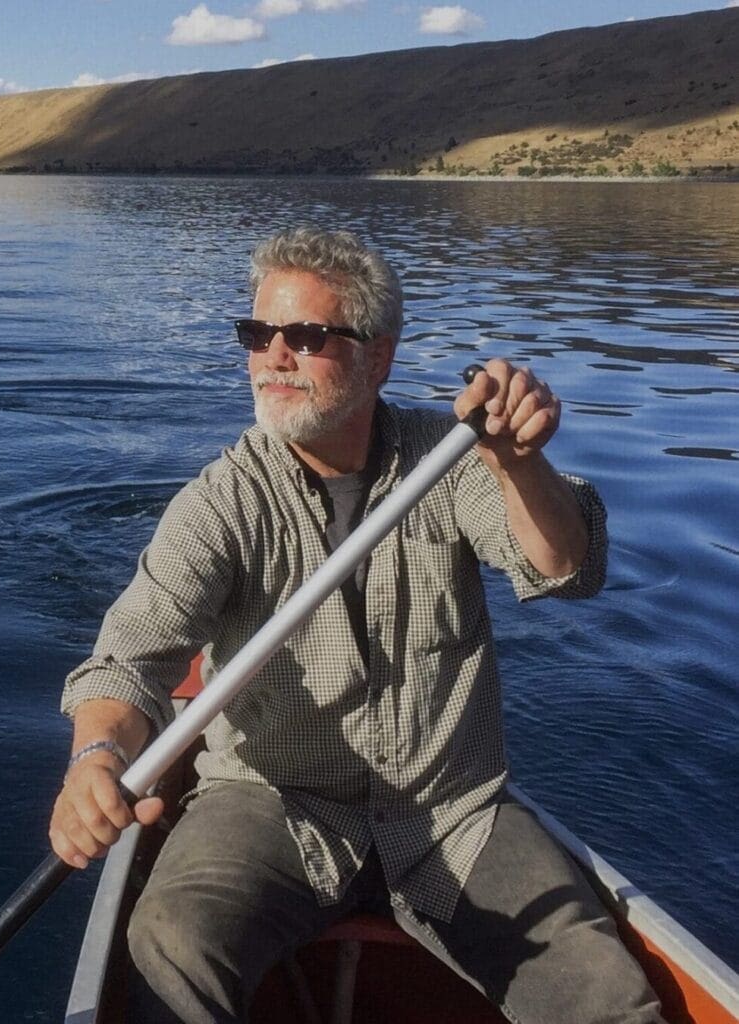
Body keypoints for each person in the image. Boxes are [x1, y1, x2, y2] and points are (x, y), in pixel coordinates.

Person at [50, 227, 665, 1024]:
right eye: (257, 334)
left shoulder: (445, 464)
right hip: (274, 803)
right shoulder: (221, 503)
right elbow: (128, 660)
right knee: (170, 940)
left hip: (451, 810)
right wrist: (94, 757)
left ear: (377, 358)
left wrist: (518, 463)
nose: (273, 356)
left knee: (606, 996)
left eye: (305, 337)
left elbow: (563, 569)